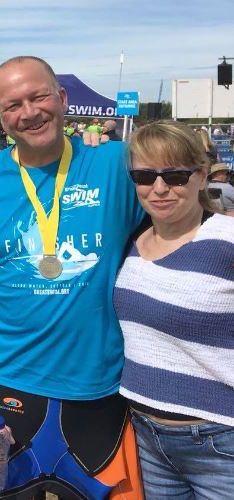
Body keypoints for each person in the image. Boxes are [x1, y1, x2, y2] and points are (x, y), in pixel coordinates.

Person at [0, 56, 146, 499]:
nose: (30, 112)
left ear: (62, 98)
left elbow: (185, 197)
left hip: (99, 392)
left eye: (39, 97)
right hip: (8, 388)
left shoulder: (115, 164)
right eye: (13, 105)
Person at [112, 120, 234, 499]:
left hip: (219, 440)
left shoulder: (227, 237)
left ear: (202, 175)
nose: (160, 188)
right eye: (145, 176)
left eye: (176, 176)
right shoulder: (132, 241)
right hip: (147, 438)